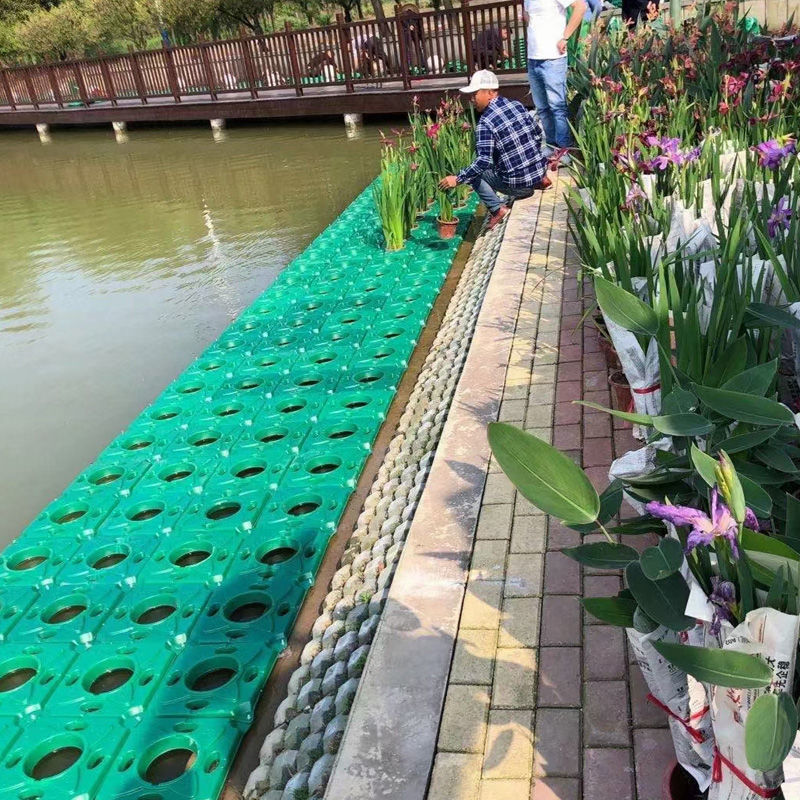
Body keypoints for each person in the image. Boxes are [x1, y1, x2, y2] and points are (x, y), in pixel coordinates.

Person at [438, 70, 551, 231]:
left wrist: (458, 179)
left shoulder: (485, 122)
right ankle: (541, 179)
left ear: (490, 93)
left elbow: (482, 162)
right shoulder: (517, 105)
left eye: (475, 94)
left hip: (519, 188)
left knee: (474, 173)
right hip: (537, 176)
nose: (471, 99)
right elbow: (537, 134)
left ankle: (497, 209)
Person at [524, 0, 588, 167]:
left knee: (557, 107)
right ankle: (552, 146)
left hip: (553, 58)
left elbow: (581, 7)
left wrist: (565, 37)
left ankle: (563, 150)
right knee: (542, 108)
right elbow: (528, 16)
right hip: (533, 58)